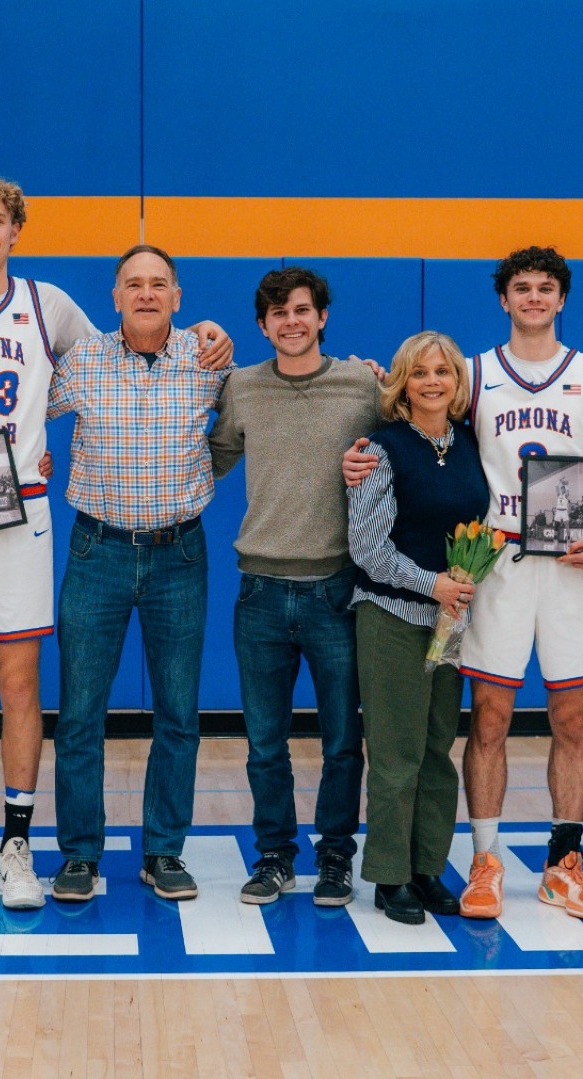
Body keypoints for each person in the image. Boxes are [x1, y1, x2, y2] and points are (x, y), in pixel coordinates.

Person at [0, 176, 232, 912]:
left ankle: (23, 843)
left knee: (29, 687)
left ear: (17, 231)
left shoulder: (50, 307)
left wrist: (206, 327)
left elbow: (138, 360)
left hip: (38, 523)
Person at [346, 246, 583, 921]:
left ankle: (564, 862)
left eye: (545, 287)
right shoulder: (473, 375)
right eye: (521, 288)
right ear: (503, 299)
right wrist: (359, 443)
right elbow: (414, 408)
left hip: (573, 565)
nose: (533, 297)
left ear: (561, 298)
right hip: (495, 567)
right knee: (489, 720)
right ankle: (484, 858)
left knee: (572, 718)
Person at [47, 244, 229, 903]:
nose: (146, 293)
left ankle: (163, 851)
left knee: (178, 711)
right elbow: (15, 419)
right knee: (79, 713)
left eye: (159, 284)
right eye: (134, 284)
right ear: (115, 296)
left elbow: (258, 412)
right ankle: (79, 855)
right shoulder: (81, 362)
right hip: (98, 553)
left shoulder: (210, 361)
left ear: (178, 297)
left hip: (180, 555)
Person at [209, 267, 378, 907]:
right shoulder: (242, 388)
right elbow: (208, 458)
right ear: (263, 325)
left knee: (341, 741)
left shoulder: (362, 383)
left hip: (336, 590)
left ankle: (336, 857)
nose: (291, 322)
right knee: (264, 745)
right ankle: (275, 857)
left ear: (322, 317)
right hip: (260, 591)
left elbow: (414, 429)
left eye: (302, 310)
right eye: (278, 314)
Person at [345, 331, 483, 925]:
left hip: (450, 621)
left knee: (436, 750)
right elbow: (367, 548)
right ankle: (389, 876)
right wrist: (434, 585)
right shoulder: (381, 450)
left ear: (456, 383)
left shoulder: (470, 442)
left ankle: (427, 867)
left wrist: (455, 592)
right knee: (397, 753)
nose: (432, 382)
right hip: (393, 616)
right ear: (401, 382)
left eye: (443, 372)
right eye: (420, 373)